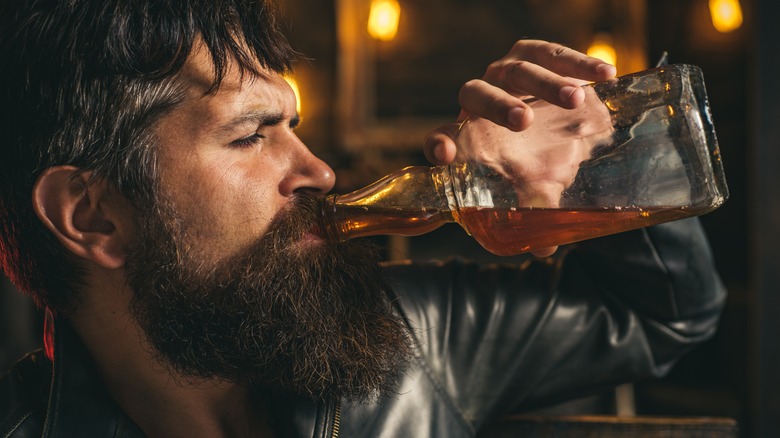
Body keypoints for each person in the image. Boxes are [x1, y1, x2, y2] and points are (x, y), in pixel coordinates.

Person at [0, 1, 726, 437]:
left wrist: (598, 162)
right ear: (92, 216)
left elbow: (663, 316)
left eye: (294, 124)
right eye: (253, 134)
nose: (318, 171)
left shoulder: (405, 340)